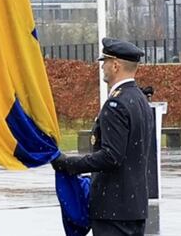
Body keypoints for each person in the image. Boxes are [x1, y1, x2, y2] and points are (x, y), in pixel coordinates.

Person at [52, 38, 153, 236]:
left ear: (116, 65)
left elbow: (111, 156)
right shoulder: (139, 99)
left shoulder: (116, 105)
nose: (102, 68)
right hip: (133, 206)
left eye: (105, 62)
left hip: (113, 208)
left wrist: (70, 164)